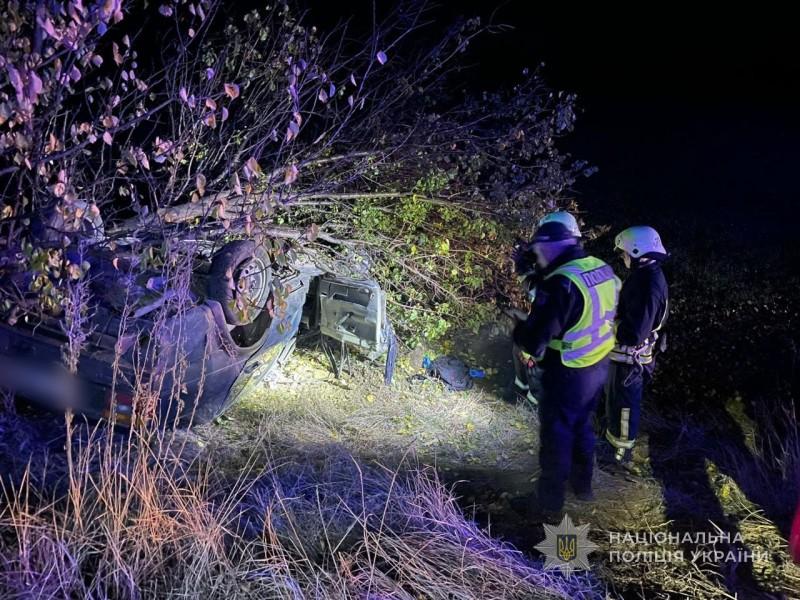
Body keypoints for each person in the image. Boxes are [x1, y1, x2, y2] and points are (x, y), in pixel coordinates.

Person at [512, 220, 620, 520]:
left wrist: (519, 329)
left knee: (556, 434)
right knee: (582, 425)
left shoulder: (561, 283)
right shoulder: (600, 267)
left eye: (538, 250)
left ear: (549, 244)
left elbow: (535, 341)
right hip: (598, 364)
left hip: (569, 371)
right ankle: (582, 487)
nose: (538, 256)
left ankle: (547, 504)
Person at [599, 226, 669, 474]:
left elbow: (634, 333)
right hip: (624, 359)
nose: (622, 257)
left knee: (624, 409)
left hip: (631, 361)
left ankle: (620, 457)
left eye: (624, 253)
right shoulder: (644, 276)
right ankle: (613, 450)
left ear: (637, 251)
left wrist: (609, 323)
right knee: (616, 405)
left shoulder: (649, 283)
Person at [509, 211, 583, 407]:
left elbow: (541, 290)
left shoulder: (567, 274)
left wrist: (524, 268)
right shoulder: (569, 262)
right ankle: (521, 391)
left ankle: (532, 403)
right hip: (554, 336)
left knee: (534, 360)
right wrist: (526, 263)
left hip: (558, 345)